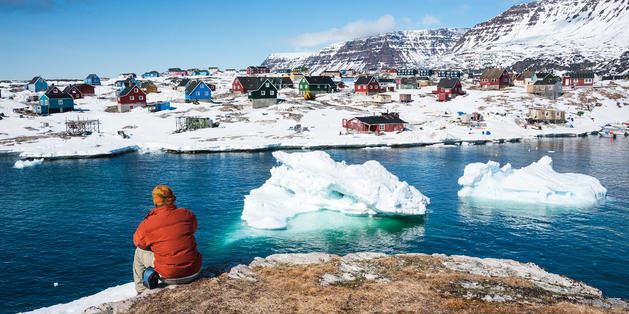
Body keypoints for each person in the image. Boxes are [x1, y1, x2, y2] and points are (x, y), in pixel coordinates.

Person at [132, 185, 202, 294]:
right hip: (194, 271)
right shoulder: (187, 214)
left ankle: (142, 291)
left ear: (155, 201)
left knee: (139, 252)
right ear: (172, 198)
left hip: (170, 277)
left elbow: (138, 242)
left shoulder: (149, 222)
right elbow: (193, 229)